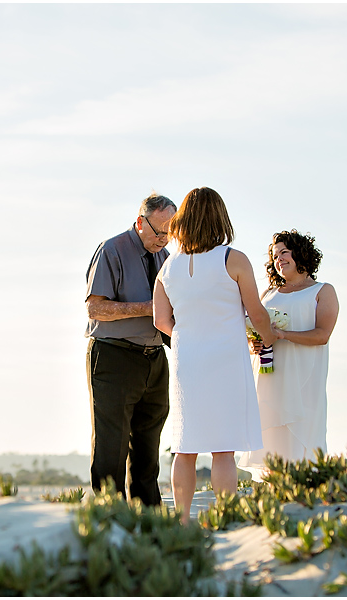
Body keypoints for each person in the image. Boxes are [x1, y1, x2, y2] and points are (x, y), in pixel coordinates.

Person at [153, 187, 275, 524]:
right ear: (220, 218)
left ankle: (181, 520)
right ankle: (225, 518)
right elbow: (257, 313)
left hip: (186, 362)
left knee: (185, 446)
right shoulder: (232, 259)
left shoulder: (168, 268)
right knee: (223, 449)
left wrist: (189, 334)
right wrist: (269, 339)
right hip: (226, 362)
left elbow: (161, 320)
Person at [84, 192, 177, 506]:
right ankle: (109, 517)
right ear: (140, 222)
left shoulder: (166, 259)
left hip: (155, 360)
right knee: (111, 447)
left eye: (170, 232)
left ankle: (149, 520)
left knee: (149, 451)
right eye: (159, 230)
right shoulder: (112, 249)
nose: (164, 239)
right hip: (114, 358)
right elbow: (96, 309)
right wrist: (148, 308)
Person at [238, 230, 339, 482]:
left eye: (284, 252)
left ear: (301, 253)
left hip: (304, 380)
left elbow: (322, 334)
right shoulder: (268, 294)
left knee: (304, 440)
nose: (278, 259)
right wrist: (255, 344)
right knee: (271, 444)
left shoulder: (322, 291)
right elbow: (254, 334)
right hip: (269, 379)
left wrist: (283, 336)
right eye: (274, 256)